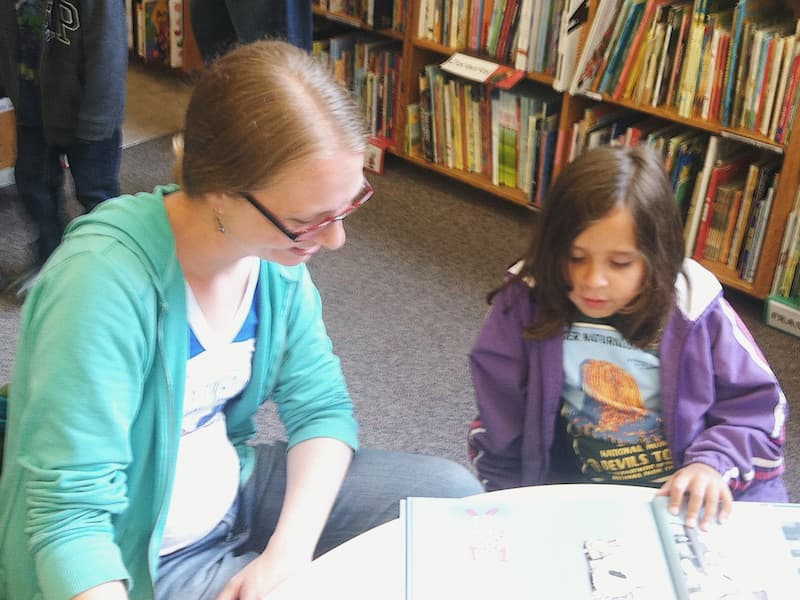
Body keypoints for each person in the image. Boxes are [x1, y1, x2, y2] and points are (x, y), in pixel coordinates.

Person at [0, 40, 482, 600]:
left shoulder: (273, 259)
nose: (336, 239)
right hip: (144, 553)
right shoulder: (100, 283)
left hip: (233, 489)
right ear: (221, 193)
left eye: (349, 205)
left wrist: (288, 553)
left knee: (451, 499)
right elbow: (68, 518)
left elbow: (321, 408)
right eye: (309, 220)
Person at [467, 145, 788, 531]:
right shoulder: (524, 302)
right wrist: (509, 503)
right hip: (579, 499)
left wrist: (711, 463)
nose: (593, 280)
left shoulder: (696, 310)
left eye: (620, 263)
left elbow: (758, 415)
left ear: (658, 256)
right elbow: (501, 428)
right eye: (575, 257)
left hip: (692, 499)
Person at [1, 0, 127, 295]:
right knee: (33, 184)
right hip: (32, 107)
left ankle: (110, 267)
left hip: (88, 112)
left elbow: (108, 52)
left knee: (98, 197)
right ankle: (51, 255)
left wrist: (97, 121)